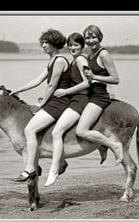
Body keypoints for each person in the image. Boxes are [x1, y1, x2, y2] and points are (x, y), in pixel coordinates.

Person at [10, 29, 71, 182]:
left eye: (46, 42)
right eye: (42, 42)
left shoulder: (59, 60)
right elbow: (37, 80)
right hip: (54, 101)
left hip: (59, 102)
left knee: (29, 129)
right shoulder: (52, 61)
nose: (43, 45)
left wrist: (42, 104)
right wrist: (18, 89)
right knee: (32, 129)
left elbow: (51, 85)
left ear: (55, 43)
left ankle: (30, 169)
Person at [44, 32, 91, 186]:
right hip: (73, 100)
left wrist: (65, 92)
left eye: (76, 45)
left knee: (57, 132)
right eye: (70, 45)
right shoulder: (73, 61)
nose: (72, 47)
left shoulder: (81, 60)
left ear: (82, 46)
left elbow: (87, 83)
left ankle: (54, 169)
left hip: (80, 100)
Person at [75, 25, 124, 166]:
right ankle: (101, 146)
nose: (91, 40)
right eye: (87, 38)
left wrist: (94, 76)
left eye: (93, 37)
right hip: (88, 96)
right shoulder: (89, 55)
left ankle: (113, 145)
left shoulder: (103, 54)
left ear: (99, 37)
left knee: (81, 131)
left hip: (98, 97)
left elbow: (115, 79)